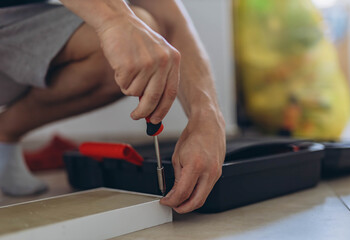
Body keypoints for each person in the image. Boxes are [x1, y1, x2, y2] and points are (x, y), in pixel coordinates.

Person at [0, 0, 226, 214]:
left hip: (17, 21)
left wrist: (206, 117)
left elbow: (171, 19)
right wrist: (114, 20)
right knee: (123, 28)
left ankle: (4, 134)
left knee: (144, 28)